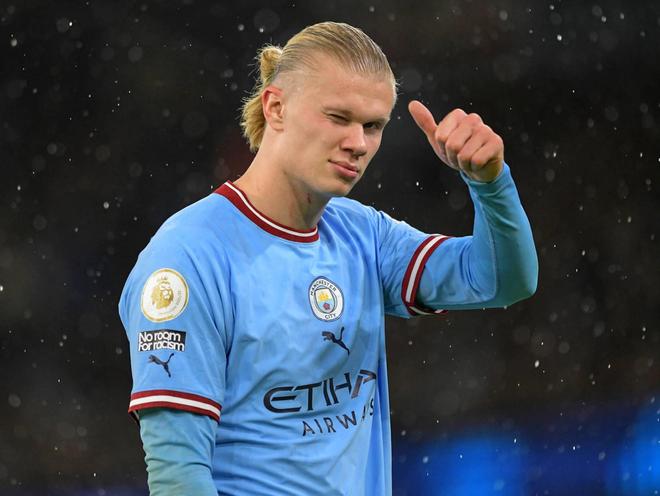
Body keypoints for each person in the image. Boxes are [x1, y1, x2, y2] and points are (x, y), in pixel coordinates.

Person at [119, 21, 538, 495]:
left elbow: (502, 280)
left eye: (373, 126)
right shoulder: (188, 259)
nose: (358, 143)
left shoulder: (363, 235)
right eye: (339, 118)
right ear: (275, 107)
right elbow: (179, 476)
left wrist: (490, 184)